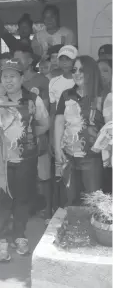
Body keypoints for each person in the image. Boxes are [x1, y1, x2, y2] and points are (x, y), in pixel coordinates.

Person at [0, 58, 50, 262]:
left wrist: (28, 135)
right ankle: (2, 239)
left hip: (26, 158)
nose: (8, 81)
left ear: (21, 77)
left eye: (13, 76)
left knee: (23, 199)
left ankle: (19, 235)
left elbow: (44, 123)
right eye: (5, 76)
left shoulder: (33, 100)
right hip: (3, 160)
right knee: (5, 201)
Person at [54, 56, 104, 206]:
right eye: (74, 70)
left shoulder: (101, 95)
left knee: (93, 200)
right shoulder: (66, 94)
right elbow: (59, 121)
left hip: (93, 157)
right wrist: (57, 149)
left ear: (91, 72)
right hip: (68, 157)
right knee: (70, 200)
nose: (77, 73)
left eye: (82, 70)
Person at [14, 43, 52, 222]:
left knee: (43, 174)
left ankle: (47, 208)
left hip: (36, 133)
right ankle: (27, 206)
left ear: (29, 61)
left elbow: (44, 109)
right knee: (24, 175)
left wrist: (35, 131)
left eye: (18, 58)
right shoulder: (11, 82)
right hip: (16, 140)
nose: (15, 62)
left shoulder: (42, 80)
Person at [98, 58, 112, 194]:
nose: (101, 74)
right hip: (95, 150)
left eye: (105, 70)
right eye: (98, 71)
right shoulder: (91, 95)